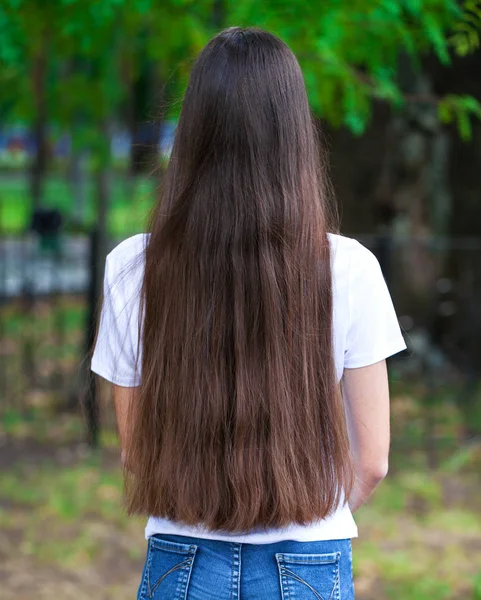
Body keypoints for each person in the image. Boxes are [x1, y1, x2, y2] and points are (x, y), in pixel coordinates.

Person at [91, 26, 406, 600]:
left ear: (192, 131)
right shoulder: (351, 269)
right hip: (309, 561)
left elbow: (136, 451)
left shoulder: (131, 266)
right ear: (295, 133)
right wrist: (306, 515)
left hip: (180, 562)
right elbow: (374, 461)